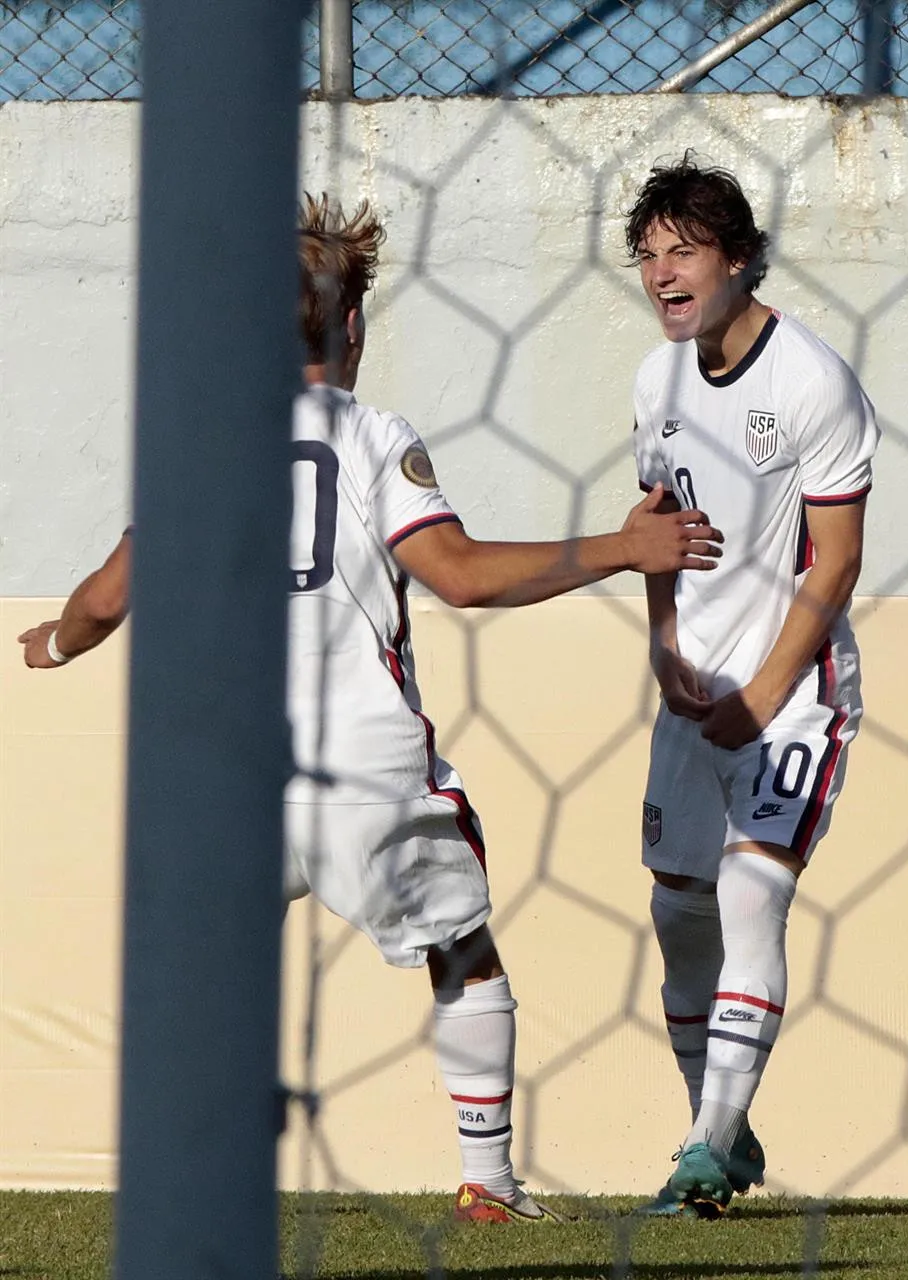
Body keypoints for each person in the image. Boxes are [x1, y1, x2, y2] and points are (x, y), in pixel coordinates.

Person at [18, 193, 723, 1225]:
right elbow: (462, 575)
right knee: (462, 950)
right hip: (365, 771)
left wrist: (59, 640)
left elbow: (110, 593)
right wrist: (624, 547)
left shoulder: (201, 441)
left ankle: (193, 1183)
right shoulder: (371, 433)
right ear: (353, 325)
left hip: (230, 778)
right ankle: (488, 1178)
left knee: (212, 983)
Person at [625, 156, 878, 1217]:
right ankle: (720, 1128)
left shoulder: (811, 379)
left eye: (683, 250)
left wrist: (768, 692)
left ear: (736, 257)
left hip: (794, 690)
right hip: (695, 691)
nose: (662, 273)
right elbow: (652, 526)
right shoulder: (656, 378)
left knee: (750, 890)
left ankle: (696, 1155)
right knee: (678, 910)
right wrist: (666, 646)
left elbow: (839, 556)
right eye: (646, 255)